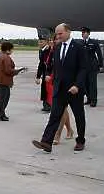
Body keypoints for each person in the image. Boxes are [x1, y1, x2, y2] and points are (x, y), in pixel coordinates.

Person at [32, 23, 88, 153]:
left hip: (74, 89)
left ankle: (80, 141)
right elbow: (57, 67)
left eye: (60, 33)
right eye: (56, 34)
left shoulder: (78, 47)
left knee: (79, 116)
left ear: (68, 32)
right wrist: (52, 77)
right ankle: (46, 142)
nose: (57, 36)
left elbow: (83, 69)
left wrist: (77, 85)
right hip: (60, 89)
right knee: (54, 116)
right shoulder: (57, 48)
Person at [45, 35, 75, 144]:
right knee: (61, 109)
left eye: (58, 39)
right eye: (54, 39)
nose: (56, 41)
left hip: (62, 83)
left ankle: (57, 134)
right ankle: (70, 130)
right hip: (52, 82)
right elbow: (47, 66)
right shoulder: (52, 51)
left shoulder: (65, 51)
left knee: (60, 109)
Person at [0, 42, 27, 121]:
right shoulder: (6, 57)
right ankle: (0, 114)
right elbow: (8, 71)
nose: (12, 51)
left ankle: (0, 114)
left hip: (0, 79)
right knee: (4, 98)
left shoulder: (1, 55)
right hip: (4, 80)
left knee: (3, 97)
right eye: (11, 49)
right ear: (7, 50)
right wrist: (18, 71)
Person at [81, 27, 103, 107]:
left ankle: (94, 100)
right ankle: (89, 99)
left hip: (92, 67)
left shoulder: (93, 42)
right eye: (82, 33)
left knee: (92, 84)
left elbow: (99, 54)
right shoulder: (80, 43)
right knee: (85, 84)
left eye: (85, 32)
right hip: (84, 67)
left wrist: (101, 65)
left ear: (88, 34)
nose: (83, 34)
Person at [35, 37, 52, 112]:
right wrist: (38, 76)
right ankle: (46, 105)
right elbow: (41, 64)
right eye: (39, 42)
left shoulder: (49, 50)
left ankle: (49, 105)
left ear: (46, 42)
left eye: (41, 42)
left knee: (48, 89)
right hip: (45, 73)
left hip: (49, 73)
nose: (39, 43)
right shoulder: (42, 50)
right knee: (44, 89)